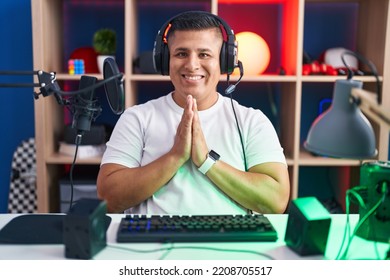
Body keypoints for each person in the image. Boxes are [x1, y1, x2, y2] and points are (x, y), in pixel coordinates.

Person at [97, 11, 290, 215]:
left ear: (225, 61)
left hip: (229, 242)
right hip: (153, 241)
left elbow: (275, 202)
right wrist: (175, 157)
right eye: (181, 53)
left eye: (204, 54)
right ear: (165, 61)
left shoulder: (252, 121)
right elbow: (107, 198)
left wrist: (207, 161)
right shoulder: (136, 118)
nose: (192, 65)